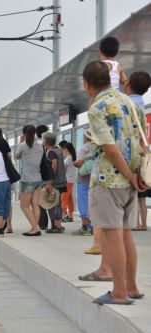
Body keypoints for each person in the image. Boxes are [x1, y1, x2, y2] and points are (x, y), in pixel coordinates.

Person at [81, 61, 145, 305]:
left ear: (87, 85)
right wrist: (135, 175)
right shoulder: (129, 101)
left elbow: (109, 148)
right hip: (132, 181)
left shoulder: (98, 107)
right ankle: (132, 286)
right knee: (126, 233)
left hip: (109, 179)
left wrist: (127, 174)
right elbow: (141, 139)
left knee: (112, 235)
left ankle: (119, 292)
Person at [124, 71, 151, 231]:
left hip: (129, 159)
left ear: (128, 84)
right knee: (140, 197)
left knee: (131, 197)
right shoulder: (140, 103)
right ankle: (140, 223)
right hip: (141, 159)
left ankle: (134, 223)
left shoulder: (127, 103)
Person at [15, 125, 44, 236]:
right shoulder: (40, 146)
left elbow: (16, 157)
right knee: (35, 205)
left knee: (24, 206)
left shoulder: (22, 146)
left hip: (27, 180)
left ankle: (35, 228)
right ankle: (34, 228)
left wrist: (20, 142)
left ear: (24, 133)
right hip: (38, 179)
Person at [43, 132, 67, 234]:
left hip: (54, 182)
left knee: (52, 203)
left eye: (43, 139)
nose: (42, 141)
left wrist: (49, 182)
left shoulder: (51, 152)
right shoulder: (59, 150)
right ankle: (58, 225)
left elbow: (54, 166)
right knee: (57, 202)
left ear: (47, 141)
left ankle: (56, 226)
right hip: (61, 181)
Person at [73, 129, 94, 237]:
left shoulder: (85, 147)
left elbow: (80, 162)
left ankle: (85, 228)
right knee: (92, 203)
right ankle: (93, 227)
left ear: (87, 137)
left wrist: (75, 163)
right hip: (94, 179)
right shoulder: (99, 147)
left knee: (83, 202)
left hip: (83, 179)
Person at [36, 125, 50, 230]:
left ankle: (42, 223)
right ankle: (51, 223)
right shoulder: (45, 145)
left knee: (40, 200)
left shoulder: (38, 145)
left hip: (40, 176)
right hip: (47, 175)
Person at [61, 142, 77, 223]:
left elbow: (62, 170)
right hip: (71, 180)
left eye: (62, 149)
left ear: (65, 149)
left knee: (63, 198)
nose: (62, 151)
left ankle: (63, 215)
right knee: (69, 198)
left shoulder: (67, 159)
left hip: (67, 180)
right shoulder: (72, 158)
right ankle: (70, 215)